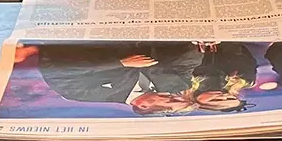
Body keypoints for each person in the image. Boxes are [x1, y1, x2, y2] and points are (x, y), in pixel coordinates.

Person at [34, 42, 201, 115]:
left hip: (85, 41)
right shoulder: (176, 84)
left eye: (169, 101)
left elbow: (56, 70)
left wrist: (119, 63)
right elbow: (186, 59)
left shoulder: (85, 95)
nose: (171, 95)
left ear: (142, 105)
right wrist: (200, 44)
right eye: (177, 98)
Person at [190, 41, 257, 112]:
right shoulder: (244, 81)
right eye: (231, 98)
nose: (224, 96)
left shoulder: (182, 87)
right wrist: (240, 72)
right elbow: (240, 51)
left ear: (196, 100)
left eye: (215, 100)